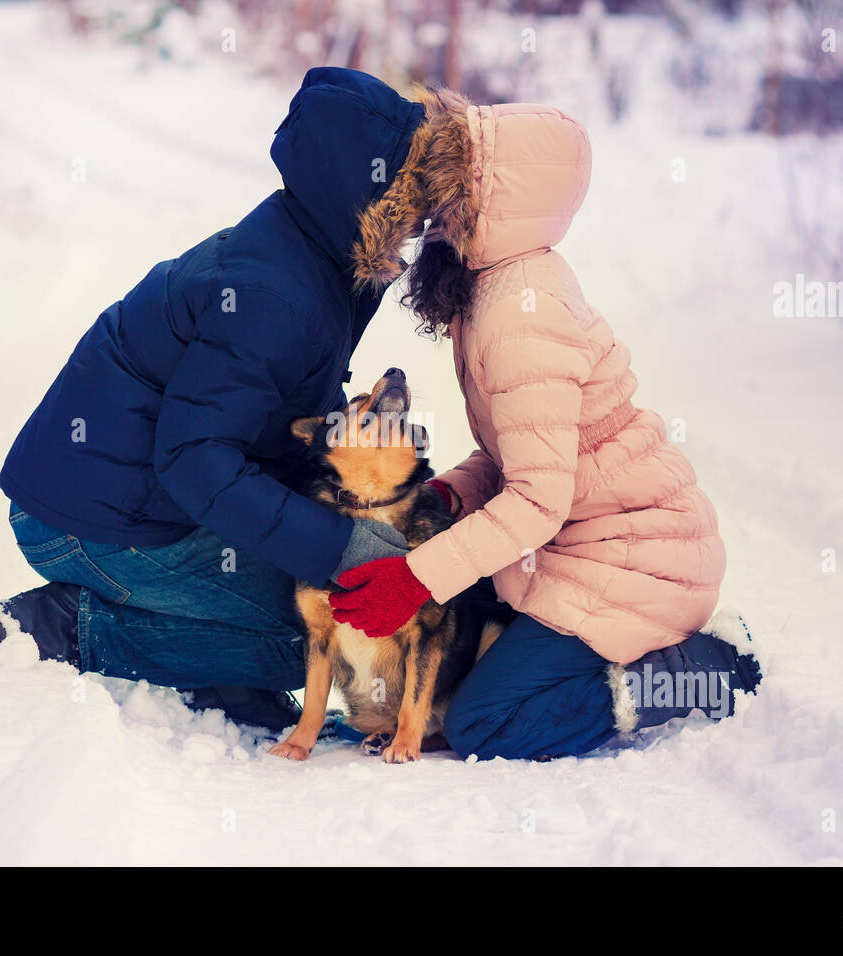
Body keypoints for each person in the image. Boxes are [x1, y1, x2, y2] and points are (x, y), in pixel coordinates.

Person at [0, 68, 435, 731]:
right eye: (409, 195)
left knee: (319, 585)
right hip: (85, 522)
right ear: (363, 193)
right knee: (315, 634)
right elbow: (198, 462)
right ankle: (66, 626)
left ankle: (218, 665)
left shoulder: (311, 255)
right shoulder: (273, 292)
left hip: (136, 501)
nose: (419, 219)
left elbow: (263, 412)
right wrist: (342, 549)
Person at [326, 89, 763, 760]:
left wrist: (414, 579)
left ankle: (698, 672)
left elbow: (538, 498)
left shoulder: (520, 314)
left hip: (635, 562)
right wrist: (451, 495)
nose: (428, 216)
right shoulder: (497, 284)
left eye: (445, 195)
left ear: (491, 200)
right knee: (461, 649)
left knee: (484, 723)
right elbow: (519, 457)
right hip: (578, 544)